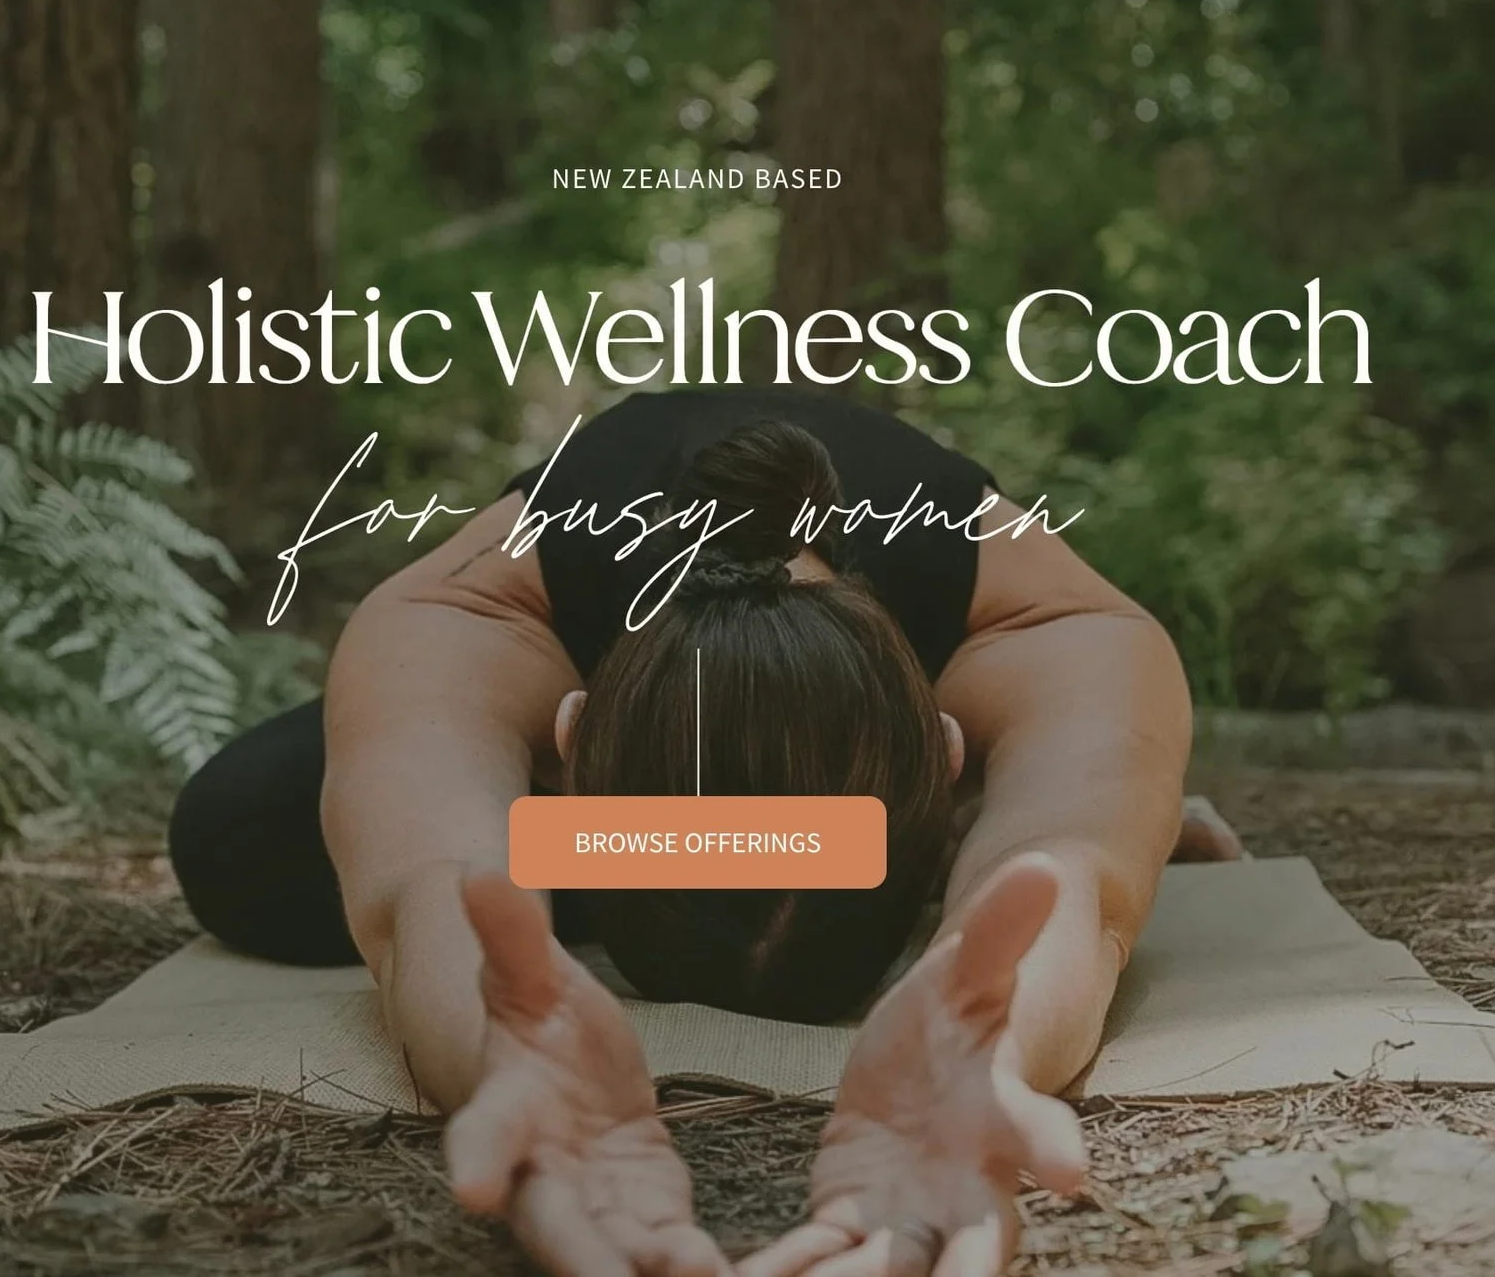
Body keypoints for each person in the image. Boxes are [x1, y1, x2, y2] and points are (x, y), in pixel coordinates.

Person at [169, 386, 1235, 1277]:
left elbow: (1071, 883)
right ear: (569, 745)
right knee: (248, 833)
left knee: (1102, 784)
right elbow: (430, 885)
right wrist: (502, 1054)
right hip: (590, 702)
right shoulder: (485, 604)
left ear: (952, 751)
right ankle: (885, 845)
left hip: (877, 726)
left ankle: (997, 816)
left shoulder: (1042, 620)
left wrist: (992, 1047)